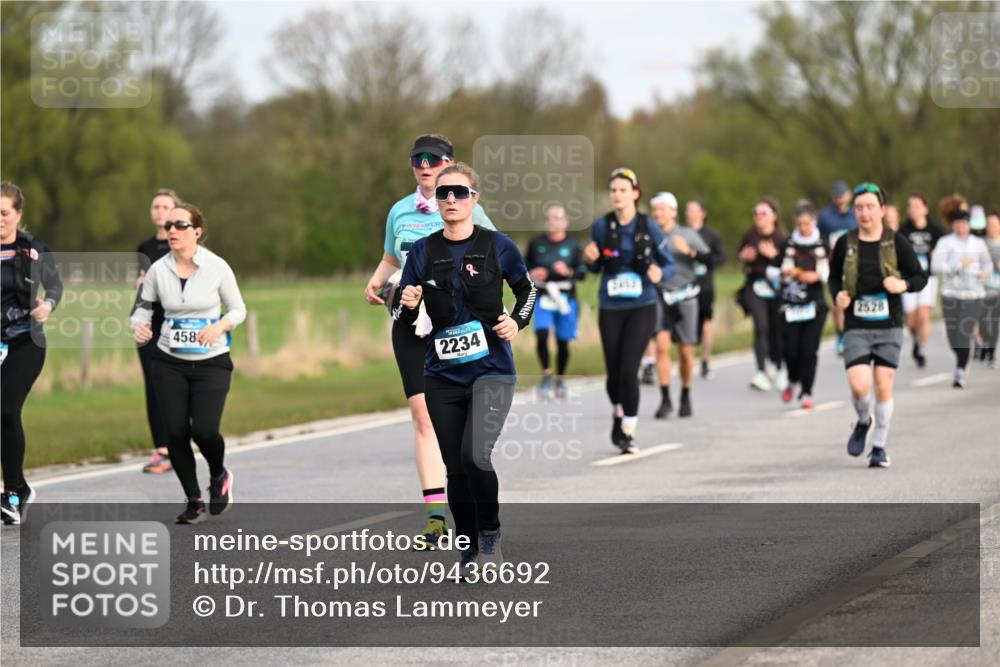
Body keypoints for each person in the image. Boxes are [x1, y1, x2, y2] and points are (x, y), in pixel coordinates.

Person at [398, 163, 535, 572]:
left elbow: (527, 290)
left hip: (491, 370)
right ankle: (468, 545)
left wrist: (517, 320)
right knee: (454, 468)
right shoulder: (423, 251)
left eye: (459, 192)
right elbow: (407, 315)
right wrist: (407, 306)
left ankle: (490, 533)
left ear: (475, 198)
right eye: (443, 194)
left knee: (475, 456)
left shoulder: (498, 246)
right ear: (435, 201)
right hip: (441, 375)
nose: (451, 200)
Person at [364, 134, 495, 549]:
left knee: (458, 420)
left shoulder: (469, 207)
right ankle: (436, 518)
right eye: (417, 159)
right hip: (410, 320)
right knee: (423, 415)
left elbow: (494, 258)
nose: (424, 164)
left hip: (456, 326)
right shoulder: (399, 211)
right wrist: (378, 278)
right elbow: (392, 256)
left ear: (448, 163)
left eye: (433, 158)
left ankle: (474, 496)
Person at [131, 203, 246, 523]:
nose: (172, 231)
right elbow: (141, 309)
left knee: (205, 430)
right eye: (168, 226)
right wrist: (139, 326)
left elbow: (238, 309)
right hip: (168, 362)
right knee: (176, 432)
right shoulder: (157, 270)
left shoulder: (217, 267)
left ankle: (219, 475)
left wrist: (219, 326)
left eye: (180, 225)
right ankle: (194, 500)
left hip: (212, 362)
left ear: (197, 231)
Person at [829, 183, 926, 468]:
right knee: (860, 386)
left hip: (889, 323)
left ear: (882, 210)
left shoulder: (897, 243)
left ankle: (879, 447)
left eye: (870, 207)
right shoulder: (845, 243)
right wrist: (837, 294)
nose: (864, 212)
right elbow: (833, 278)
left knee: (883, 385)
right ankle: (863, 420)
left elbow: (920, 277)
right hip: (857, 323)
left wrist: (902, 284)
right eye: (859, 207)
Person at [583, 168, 674, 453]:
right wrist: (590, 260)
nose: (617, 195)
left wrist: (661, 272)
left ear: (635, 193)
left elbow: (668, 263)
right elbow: (595, 267)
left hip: (642, 304)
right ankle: (618, 411)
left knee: (629, 370)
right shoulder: (601, 226)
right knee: (613, 373)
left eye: (623, 190)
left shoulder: (649, 226)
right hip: (611, 305)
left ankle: (629, 431)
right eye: (613, 190)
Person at [1, 182, 63, 525]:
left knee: (6, 409)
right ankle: (19, 487)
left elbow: (55, 285)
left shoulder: (32, 249)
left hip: (25, 341)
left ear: (18, 215)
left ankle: (13, 492)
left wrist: (49, 305)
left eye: (4, 213)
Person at [649, 192, 711, 419]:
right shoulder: (649, 235)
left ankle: (685, 394)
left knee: (686, 350)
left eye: (663, 209)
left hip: (685, 295)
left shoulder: (687, 234)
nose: (659, 214)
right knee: (662, 346)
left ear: (673, 212)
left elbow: (711, 259)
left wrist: (689, 251)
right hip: (659, 295)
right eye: (655, 210)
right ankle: (665, 399)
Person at [766, 201, 830, 409]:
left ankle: (807, 391)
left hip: (814, 305)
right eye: (800, 224)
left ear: (814, 222)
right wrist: (784, 273)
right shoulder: (788, 244)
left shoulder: (822, 243)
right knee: (791, 351)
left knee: (809, 350)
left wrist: (817, 275)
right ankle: (793, 380)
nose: (803, 228)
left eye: (807, 224)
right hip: (791, 305)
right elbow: (771, 270)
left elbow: (831, 272)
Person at [137, 189, 180, 474]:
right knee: (152, 387)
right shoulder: (144, 247)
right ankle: (161, 451)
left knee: (176, 387)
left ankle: (179, 444)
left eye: (165, 207)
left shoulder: (182, 244)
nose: (160, 211)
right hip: (148, 324)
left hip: (176, 323)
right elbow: (140, 287)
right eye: (156, 206)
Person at [525, 203, 585, 399]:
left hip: (565, 297)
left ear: (566, 221)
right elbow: (523, 268)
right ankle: (546, 374)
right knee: (541, 335)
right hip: (543, 295)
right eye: (551, 218)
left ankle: (560, 378)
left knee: (563, 342)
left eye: (559, 218)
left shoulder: (573, 245)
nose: (555, 222)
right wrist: (533, 273)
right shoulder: (536, 243)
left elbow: (583, 273)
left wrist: (568, 271)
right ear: (546, 221)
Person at [931, 207, 992, 388]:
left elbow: (987, 264)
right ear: (953, 225)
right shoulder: (945, 243)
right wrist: (957, 265)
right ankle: (963, 357)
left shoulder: (977, 243)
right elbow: (935, 267)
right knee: (953, 335)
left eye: (964, 224)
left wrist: (984, 273)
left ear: (969, 225)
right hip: (950, 293)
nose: (961, 227)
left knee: (964, 330)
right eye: (957, 224)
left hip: (973, 294)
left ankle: (960, 371)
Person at [737, 197, 788, 391]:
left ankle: (779, 366)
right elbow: (740, 255)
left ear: (774, 216)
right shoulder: (749, 235)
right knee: (761, 326)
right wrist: (743, 257)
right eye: (756, 213)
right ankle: (760, 371)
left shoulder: (782, 237)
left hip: (777, 287)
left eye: (763, 213)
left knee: (777, 328)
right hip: (755, 285)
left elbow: (791, 264)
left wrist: (774, 256)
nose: (759, 217)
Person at [899, 193, 945, 368]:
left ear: (925, 208)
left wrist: (937, 256)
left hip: (928, 278)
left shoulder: (935, 230)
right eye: (910, 206)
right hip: (909, 278)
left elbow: (944, 250)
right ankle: (917, 341)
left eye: (917, 205)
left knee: (923, 315)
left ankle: (921, 348)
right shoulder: (904, 231)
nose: (913, 209)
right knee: (911, 320)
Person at [685, 198, 726, 379]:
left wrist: (701, 258)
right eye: (688, 210)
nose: (690, 213)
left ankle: (705, 360)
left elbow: (720, 258)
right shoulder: (680, 233)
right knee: (688, 325)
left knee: (706, 324)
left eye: (693, 210)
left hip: (705, 285)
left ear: (703, 213)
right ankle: (689, 361)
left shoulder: (711, 235)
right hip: (685, 285)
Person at [818, 180, 858, 357]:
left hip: (854, 263)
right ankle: (841, 335)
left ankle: (855, 333)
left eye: (842, 195)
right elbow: (818, 238)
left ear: (849, 195)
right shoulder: (825, 216)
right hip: (833, 264)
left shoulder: (855, 214)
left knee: (855, 298)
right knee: (837, 302)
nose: (840, 198)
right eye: (837, 195)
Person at [979, 210, 1000, 368]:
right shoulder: (981, 243)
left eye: (994, 224)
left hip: (998, 288)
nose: (991, 227)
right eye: (989, 225)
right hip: (982, 288)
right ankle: (985, 342)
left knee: (994, 321)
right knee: (981, 320)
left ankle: (992, 352)